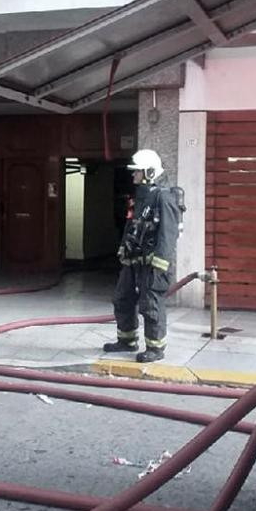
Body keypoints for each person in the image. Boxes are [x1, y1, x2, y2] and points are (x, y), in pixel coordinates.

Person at [103, 149, 182, 363]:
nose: (133, 175)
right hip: (134, 261)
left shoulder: (164, 198)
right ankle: (126, 340)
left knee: (151, 304)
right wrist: (123, 249)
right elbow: (131, 225)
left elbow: (168, 233)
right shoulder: (140, 198)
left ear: (148, 171)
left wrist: (160, 264)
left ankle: (155, 348)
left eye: (136, 171)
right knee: (122, 298)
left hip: (153, 264)